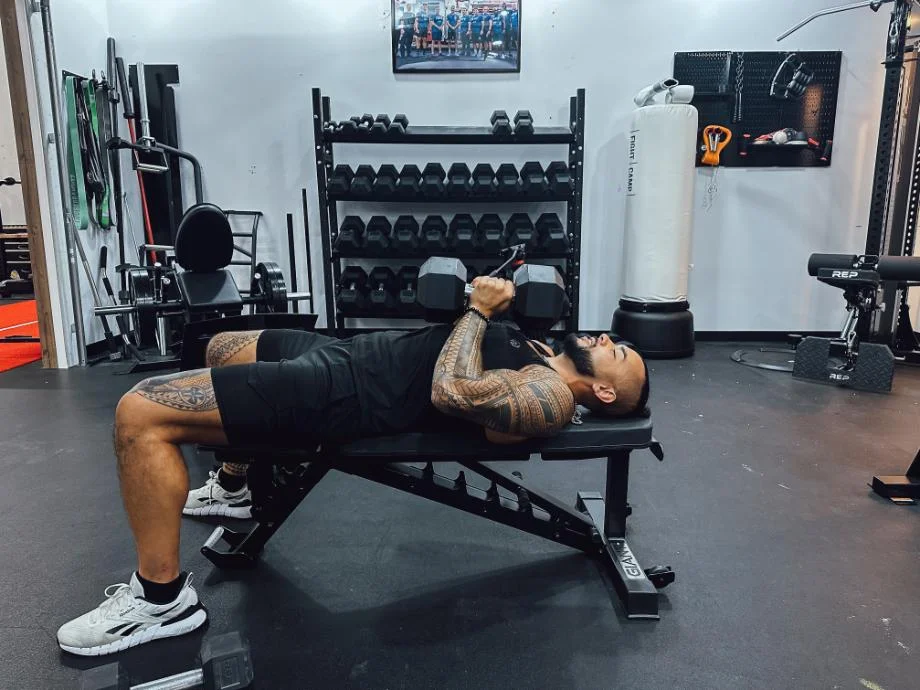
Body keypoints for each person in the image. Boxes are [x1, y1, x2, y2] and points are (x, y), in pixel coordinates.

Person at [56, 277, 649, 656]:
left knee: (139, 412)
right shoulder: (539, 353)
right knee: (223, 347)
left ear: (603, 393)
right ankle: (234, 487)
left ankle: (160, 602)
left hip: (343, 394)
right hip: (352, 355)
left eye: (616, 352)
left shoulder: (550, 396)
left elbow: (449, 391)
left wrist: (477, 311)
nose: (604, 338)